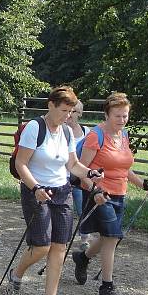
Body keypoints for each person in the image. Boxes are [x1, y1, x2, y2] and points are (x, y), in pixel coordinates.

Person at [6, 85, 104, 295]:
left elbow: (73, 165)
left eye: (70, 112)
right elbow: (21, 164)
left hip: (62, 191)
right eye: (63, 111)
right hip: (36, 191)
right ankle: (16, 275)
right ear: (50, 105)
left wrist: (89, 173)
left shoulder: (68, 132)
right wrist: (36, 187)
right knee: (41, 246)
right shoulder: (34, 128)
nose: (67, 116)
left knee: (59, 246)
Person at [72, 92, 148, 295]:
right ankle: (107, 286)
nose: (122, 120)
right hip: (99, 194)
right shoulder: (96, 136)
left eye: (125, 116)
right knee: (111, 238)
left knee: (110, 236)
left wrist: (143, 184)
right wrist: (96, 191)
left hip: (120, 193)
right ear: (107, 114)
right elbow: (82, 172)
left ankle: (83, 257)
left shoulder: (124, 135)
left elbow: (124, 169)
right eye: (118, 116)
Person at [67, 100, 91, 250]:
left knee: (82, 207)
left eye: (74, 111)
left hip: (79, 177)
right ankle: (63, 237)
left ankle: (84, 238)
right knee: (66, 209)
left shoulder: (87, 132)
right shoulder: (60, 129)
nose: (70, 114)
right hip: (62, 178)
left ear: (80, 114)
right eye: (68, 110)